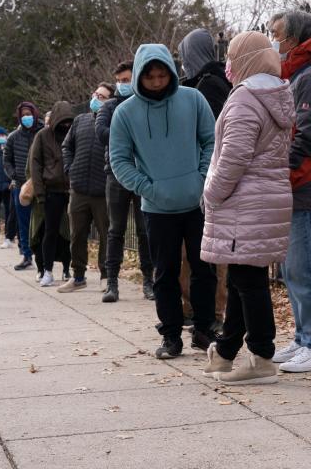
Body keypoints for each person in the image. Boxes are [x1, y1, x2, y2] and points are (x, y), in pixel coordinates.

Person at [109, 43, 217, 357]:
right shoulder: (125, 113)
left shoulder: (193, 99)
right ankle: (170, 335)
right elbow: (120, 161)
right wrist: (149, 188)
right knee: (165, 273)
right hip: (157, 207)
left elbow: (211, 140)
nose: (157, 82)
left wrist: (201, 178)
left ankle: (204, 328)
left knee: (204, 270)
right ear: (139, 77)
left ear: (171, 72)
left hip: (196, 202)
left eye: (161, 75)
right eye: (150, 76)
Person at [200, 31, 293, 385]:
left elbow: (234, 157)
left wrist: (212, 193)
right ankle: (226, 351)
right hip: (266, 197)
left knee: (248, 280)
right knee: (244, 276)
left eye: (232, 58)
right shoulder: (276, 94)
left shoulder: (245, 99)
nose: (227, 66)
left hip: (244, 201)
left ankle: (262, 355)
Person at [268, 9, 311, 373]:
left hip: (308, 186)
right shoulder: (294, 76)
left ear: (294, 39)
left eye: (276, 34)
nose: (272, 40)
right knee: (293, 269)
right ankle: (303, 338)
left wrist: (284, 169)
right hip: (296, 185)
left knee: (307, 267)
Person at [178, 28, 233, 331]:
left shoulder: (210, 85)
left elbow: (210, 133)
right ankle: (193, 308)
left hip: (209, 174)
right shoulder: (196, 83)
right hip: (197, 174)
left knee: (213, 249)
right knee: (192, 249)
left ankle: (215, 310)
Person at [96, 60, 154, 303]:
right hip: (116, 174)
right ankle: (112, 283)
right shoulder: (108, 107)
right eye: (119, 81)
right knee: (115, 230)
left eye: (127, 80)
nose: (123, 85)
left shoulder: (146, 104)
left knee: (144, 231)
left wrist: (121, 135)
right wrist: (129, 135)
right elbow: (102, 133)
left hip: (143, 172)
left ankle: (149, 282)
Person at [58, 84, 113, 292]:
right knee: (77, 235)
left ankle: (106, 276)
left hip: (103, 190)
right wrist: (69, 169)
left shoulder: (113, 121)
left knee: (106, 236)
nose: (96, 98)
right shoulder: (80, 120)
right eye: (95, 94)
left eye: (102, 96)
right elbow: (66, 146)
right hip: (79, 188)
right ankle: (78, 276)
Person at [28, 101, 74, 287]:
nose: (65, 126)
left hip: (71, 190)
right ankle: (47, 270)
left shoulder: (73, 133)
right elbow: (35, 164)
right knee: (50, 231)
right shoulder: (43, 136)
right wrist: (39, 192)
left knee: (73, 233)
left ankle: (69, 268)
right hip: (52, 191)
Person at [5, 102, 43, 269]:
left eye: (29, 113)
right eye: (23, 115)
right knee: (23, 222)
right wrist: (14, 174)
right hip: (21, 184)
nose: (26, 117)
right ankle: (27, 255)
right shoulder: (13, 137)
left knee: (43, 221)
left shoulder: (43, 132)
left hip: (42, 183)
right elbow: (6, 160)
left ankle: (43, 254)